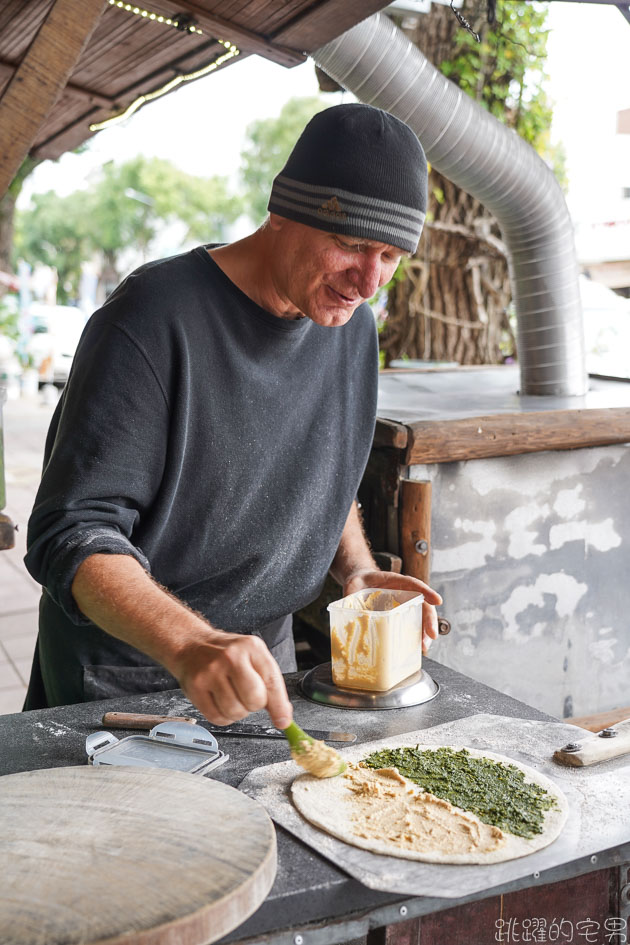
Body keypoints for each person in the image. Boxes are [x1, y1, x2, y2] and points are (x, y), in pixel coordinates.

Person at [23, 103, 442, 729]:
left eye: (391, 255)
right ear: (282, 212)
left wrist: (357, 570)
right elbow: (72, 533)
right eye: (352, 244)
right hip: (129, 671)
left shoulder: (351, 328)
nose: (367, 281)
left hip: (263, 658)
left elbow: (324, 478)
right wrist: (192, 644)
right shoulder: (152, 317)